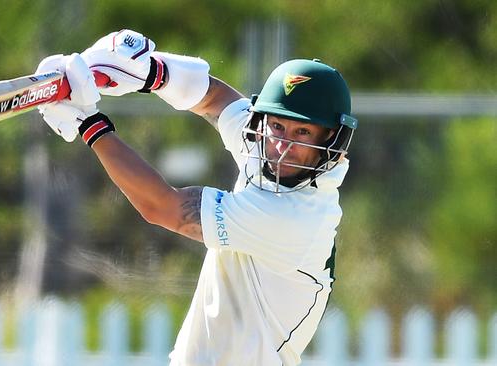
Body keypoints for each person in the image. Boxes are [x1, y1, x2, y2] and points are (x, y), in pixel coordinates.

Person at [35, 29, 357, 366]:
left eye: (302, 132)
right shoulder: (268, 153)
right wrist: (150, 71)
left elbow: (163, 207)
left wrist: (89, 123)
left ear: (332, 140)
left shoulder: (296, 214)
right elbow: (217, 99)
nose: (282, 146)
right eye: (277, 126)